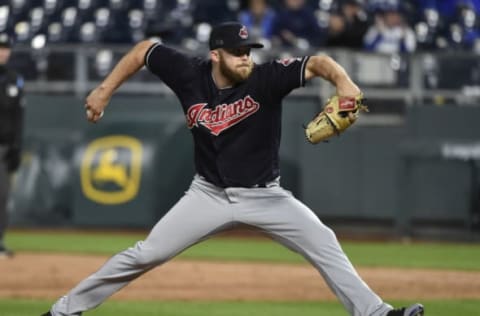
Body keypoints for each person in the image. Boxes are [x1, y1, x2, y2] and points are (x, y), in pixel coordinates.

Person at [42, 22, 424, 316]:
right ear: (216, 55)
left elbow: (319, 63)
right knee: (145, 254)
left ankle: (378, 312)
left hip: (265, 196)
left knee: (323, 240)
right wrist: (104, 89)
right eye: (238, 51)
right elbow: (145, 50)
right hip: (207, 194)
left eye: (248, 50)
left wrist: (345, 83)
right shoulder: (188, 73)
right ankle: (63, 310)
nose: (246, 57)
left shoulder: (267, 77)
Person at [0, 32, 24, 258]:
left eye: (6, 48)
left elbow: (19, 116)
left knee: (2, 196)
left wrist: (17, 146)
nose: (3, 52)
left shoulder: (14, 79)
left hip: (4, 147)